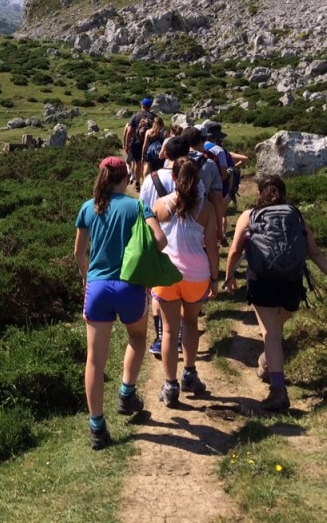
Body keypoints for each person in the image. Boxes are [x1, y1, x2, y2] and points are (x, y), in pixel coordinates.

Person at [223, 175, 327, 412]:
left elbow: (234, 250)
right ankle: (266, 363)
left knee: (270, 333)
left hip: (262, 280)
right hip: (292, 281)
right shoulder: (296, 215)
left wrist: (229, 277)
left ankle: (278, 390)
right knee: (274, 331)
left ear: (260, 193)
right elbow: (315, 252)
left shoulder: (249, 216)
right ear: (283, 192)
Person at [75, 156, 167, 450]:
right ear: (126, 178)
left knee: (94, 360)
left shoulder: (88, 208)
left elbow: (79, 252)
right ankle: (127, 394)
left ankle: (97, 428)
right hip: (130, 285)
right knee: (138, 337)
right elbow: (160, 240)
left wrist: (87, 279)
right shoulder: (137, 206)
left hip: (98, 287)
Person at [151, 156, 219, 406]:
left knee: (169, 330)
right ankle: (189, 373)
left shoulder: (160, 205)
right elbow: (211, 246)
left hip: (167, 274)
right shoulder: (207, 209)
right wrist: (215, 277)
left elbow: (153, 241)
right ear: (198, 179)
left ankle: (170, 386)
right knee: (191, 322)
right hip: (197, 274)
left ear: (174, 178)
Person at [139, 135, 202, 358]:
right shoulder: (195, 178)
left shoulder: (152, 177)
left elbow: (144, 211)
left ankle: (160, 338)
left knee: (159, 298)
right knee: (190, 317)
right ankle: (187, 360)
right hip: (192, 258)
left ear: (167, 153)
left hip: (162, 250)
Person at [123, 98, 156, 191]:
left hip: (136, 142)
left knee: (137, 163)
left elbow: (129, 131)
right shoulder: (154, 117)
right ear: (150, 106)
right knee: (146, 162)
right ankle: (146, 183)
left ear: (142, 105)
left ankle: (137, 183)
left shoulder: (135, 116)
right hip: (150, 142)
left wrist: (126, 144)